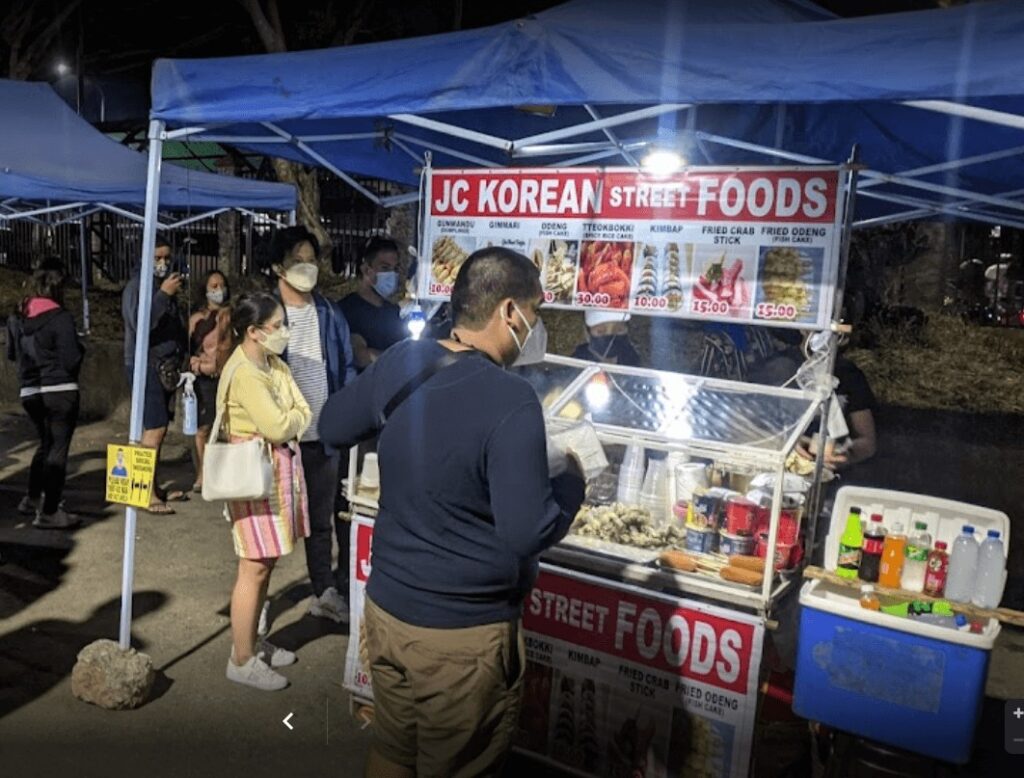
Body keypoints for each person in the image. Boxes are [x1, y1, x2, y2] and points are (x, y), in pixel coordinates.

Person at [319, 246, 586, 778]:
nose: (535, 327)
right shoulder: (511, 400)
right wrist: (572, 485)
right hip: (461, 637)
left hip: (387, 611)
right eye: (535, 314)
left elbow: (332, 427)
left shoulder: (402, 360)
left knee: (394, 748)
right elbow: (525, 530)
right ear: (509, 312)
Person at [217, 293, 311, 691]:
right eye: (277, 326)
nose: (284, 332)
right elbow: (278, 426)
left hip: (275, 475)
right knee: (252, 567)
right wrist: (292, 419)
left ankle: (252, 643)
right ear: (253, 332)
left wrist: (291, 418)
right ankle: (241, 658)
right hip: (254, 477)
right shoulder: (246, 373)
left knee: (267, 563)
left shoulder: (271, 363)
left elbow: (303, 409)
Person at [268, 226, 356, 623]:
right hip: (280, 438)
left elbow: (346, 368)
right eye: (297, 261)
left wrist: (347, 416)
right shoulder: (267, 314)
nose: (308, 267)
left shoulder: (328, 311)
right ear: (277, 267)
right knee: (272, 525)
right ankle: (256, 603)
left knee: (322, 521)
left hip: (324, 434)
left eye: (311, 259)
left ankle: (324, 590)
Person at [6, 257, 84, 529]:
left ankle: (32, 497)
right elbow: (71, 358)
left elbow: (12, 354)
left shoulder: (18, 317)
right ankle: (50, 511)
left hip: (30, 390)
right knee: (57, 449)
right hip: (60, 389)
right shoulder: (61, 318)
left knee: (45, 444)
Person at [121, 236, 188, 514]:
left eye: (166, 258)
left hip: (164, 365)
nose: (162, 263)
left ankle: (152, 485)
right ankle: (144, 492)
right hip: (145, 364)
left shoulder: (162, 289)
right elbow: (140, 324)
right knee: (154, 428)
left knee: (157, 428)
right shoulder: (138, 287)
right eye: (157, 258)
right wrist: (163, 296)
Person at [748, 329, 877, 470]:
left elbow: (867, 442)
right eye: (820, 328)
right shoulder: (776, 369)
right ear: (803, 328)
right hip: (778, 469)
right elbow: (748, 429)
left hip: (830, 474)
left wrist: (845, 453)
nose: (826, 333)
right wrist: (785, 442)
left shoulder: (849, 374)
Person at [188, 270, 233, 493]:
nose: (218, 290)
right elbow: (188, 350)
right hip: (204, 379)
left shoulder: (231, 316)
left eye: (221, 285)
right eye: (213, 286)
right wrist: (197, 364)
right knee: (203, 427)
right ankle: (203, 474)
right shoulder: (197, 319)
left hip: (226, 378)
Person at [339, 237, 408, 370]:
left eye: (394, 269)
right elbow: (361, 357)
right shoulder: (347, 310)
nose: (391, 275)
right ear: (366, 270)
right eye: (384, 268)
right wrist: (399, 359)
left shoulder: (393, 311)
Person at [571, 310, 642, 366]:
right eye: (600, 331)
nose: (610, 336)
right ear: (587, 333)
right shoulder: (576, 364)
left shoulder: (632, 360)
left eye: (618, 329)